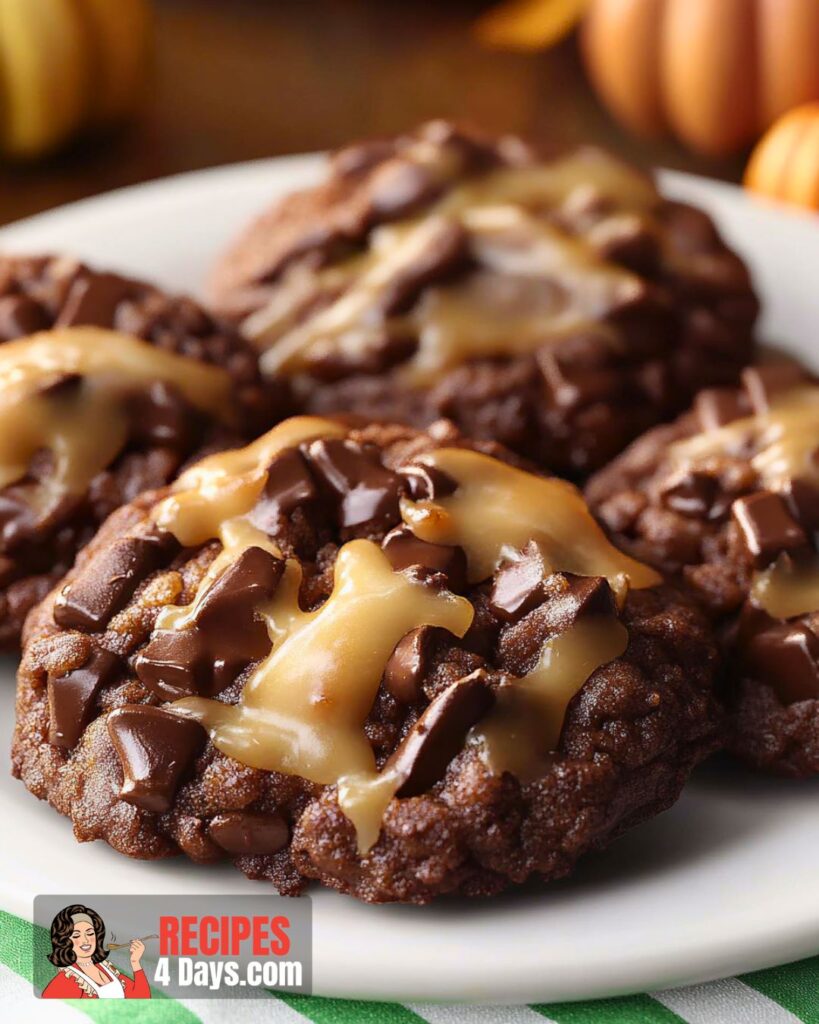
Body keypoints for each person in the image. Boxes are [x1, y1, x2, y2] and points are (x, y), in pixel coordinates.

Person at [41, 904, 150, 999]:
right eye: (76, 935)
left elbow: (141, 999)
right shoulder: (67, 980)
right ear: (64, 941)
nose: (86, 940)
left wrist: (135, 962)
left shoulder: (106, 968)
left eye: (90, 933)